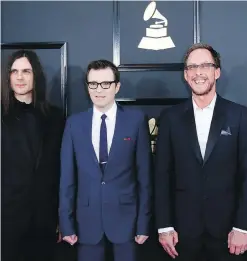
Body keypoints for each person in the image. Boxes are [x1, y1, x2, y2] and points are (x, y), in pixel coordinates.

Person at [154, 43, 247, 261]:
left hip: (229, 233)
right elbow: (162, 175)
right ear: (185, 75)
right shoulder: (171, 118)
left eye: (205, 65)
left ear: (217, 72)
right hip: (181, 234)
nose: (198, 72)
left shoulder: (238, 116)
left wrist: (243, 226)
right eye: (192, 67)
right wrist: (164, 225)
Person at [59, 59, 152, 261]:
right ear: (87, 87)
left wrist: (143, 223)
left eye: (105, 84)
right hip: (86, 223)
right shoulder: (74, 124)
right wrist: (66, 224)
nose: (99, 90)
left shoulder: (135, 121)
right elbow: (67, 179)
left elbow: (144, 177)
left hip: (127, 221)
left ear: (117, 86)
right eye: (93, 84)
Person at [1, 50, 64, 261]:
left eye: (26, 71)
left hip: (44, 220)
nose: (20, 77)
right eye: (14, 71)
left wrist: (61, 218)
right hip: (6, 220)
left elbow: (62, 172)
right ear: (7, 77)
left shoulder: (56, 118)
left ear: (36, 75)